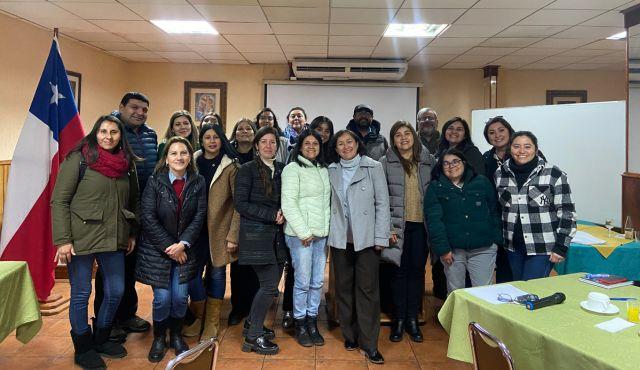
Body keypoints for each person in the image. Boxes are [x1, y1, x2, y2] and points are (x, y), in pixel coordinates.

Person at [51, 115, 139, 370]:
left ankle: (101, 337)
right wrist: (63, 241)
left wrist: (131, 232)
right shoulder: (78, 158)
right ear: (95, 132)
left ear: (121, 135)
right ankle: (82, 347)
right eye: (103, 131)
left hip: (116, 235)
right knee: (81, 293)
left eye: (114, 132)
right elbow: (60, 201)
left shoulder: (127, 164)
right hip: (81, 238)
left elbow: (134, 201)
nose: (108, 137)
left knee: (116, 291)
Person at [136, 136, 207, 363]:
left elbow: (199, 216)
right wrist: (171, 247)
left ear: (190, 157)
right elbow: (148, 217)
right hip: (159, 251)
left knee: (179, 298)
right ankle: (159, 337)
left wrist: (183, 244)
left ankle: (176, 335)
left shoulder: (198, 182)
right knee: (162, 298)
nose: (179, 157)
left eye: (184, 153)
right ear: (166, 158)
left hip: (186, 250)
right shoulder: (154, 181)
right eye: (174, 153)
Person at [94, 92, 156, 342]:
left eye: (144, 109)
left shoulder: (151, 134)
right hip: (116, 209)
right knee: (109, 270)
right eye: (134, 107)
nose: (139, 112)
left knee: (130, 266)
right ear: (121, 107)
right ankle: (107, 320)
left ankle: (127, 314)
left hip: (141, 208)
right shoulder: (110, 133)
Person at [327, 129, 390, 365]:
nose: (345, 147)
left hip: (366, 239)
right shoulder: (331, 170)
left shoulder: (372, 166)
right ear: (335, 148)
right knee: (343, 288)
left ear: (357, 144)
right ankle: (349, 335)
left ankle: (370, 343)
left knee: (367, 291)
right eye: (340, 144)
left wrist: (381, 236)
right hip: (341, 239)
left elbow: (382, 203)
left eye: (349, 142)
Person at [183, 123, 240, 340]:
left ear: (222, 139)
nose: (212, 141)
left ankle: (212, 322)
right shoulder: (193, 160)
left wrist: (233, 235)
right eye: (208, 137)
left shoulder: (231, 165)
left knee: (216, 273)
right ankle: (199, 317)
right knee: (192, 275)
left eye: (216, 137)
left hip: (219, 230)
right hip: (194, 230)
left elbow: (238, 205)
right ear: (202, 140)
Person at [495, 131, 577, 280]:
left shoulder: (554, 174)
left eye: (527, 146)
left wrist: (561, 247)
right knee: (518, 287)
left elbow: (567, 213)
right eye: (516, 146)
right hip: (513, 246)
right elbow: (501, 210)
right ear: (510, 149)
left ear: (536, 149)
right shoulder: (500, 174)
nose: (521, 151)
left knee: (531, 290)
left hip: (542, 246)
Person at [235, 126, 287, 355]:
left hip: (278, 238)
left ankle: (251, 324)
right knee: (268, 286)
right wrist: (271, 215)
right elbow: (241, 204)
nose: (269, 145)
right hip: (256, 236)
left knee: (270, 286)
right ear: (256, 146)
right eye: (264, 141)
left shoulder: (283, 169)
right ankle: (253, 338)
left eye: (273, 142)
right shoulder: (246, 170)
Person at [379, 121, 433, 343]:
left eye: (407, 133)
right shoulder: (384, 163)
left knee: (417, 272)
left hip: (421, 227)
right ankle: (399, 320)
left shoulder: (428, 161)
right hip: (396, 229)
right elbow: (380, 200)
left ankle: (413, 318)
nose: (403, 138)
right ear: (392, 140)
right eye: (398, 135)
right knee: (398, 273)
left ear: (414, 136)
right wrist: (387, 228)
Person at [424, 149, 502, 294]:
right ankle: (459, 318)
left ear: (464, 163)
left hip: (483, 248)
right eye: (445, 163)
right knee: (456, 292)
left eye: (455, 161)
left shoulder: (481, 182)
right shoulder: (435, 187)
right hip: (453, 251)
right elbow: (434, 221)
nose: (451, 166)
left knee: (484, 292)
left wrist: (495, 240)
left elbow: (494, 212)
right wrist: (443, 249)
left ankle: (480, 318)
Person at [281, 130, 331, 347]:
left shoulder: (323, 169)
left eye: (315, 143)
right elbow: (288, 203)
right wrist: (303, 232)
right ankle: (300, 323)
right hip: (300, 236)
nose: (311, 146)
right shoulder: (292, 169)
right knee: (302, 282)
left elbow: (326, 205)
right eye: (307, 143)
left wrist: (325, 231)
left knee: (317, 281)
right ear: (299, 147)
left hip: (321, 235)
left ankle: (312, 322)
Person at [227, 118, 261, 326]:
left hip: (257, 216)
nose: (244, 131)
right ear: (235, 133)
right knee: (238, 267)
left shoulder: (262, 153)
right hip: (235, 216)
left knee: (255, 267)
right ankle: (238, 308)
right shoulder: (228, 156)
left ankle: (253, 308)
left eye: (249, 128)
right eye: (240, 128)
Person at [482, 116, 516, 283]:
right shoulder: (486, 158)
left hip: (520, 220)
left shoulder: (523, 152)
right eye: (491, 132)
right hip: (496, 220)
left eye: (501, 130)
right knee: (503, 268)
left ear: (509, 131)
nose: (497, 135)